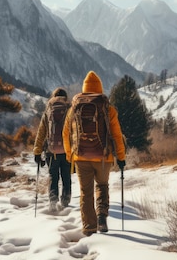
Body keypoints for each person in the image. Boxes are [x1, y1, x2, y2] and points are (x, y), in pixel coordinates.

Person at [63, 71, 126, 236]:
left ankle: (89, 228)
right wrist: (121, 157)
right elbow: (117, 135)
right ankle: (102, 218)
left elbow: (65, 133)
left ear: (84, 89)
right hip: (103, 157)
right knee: (102, 186)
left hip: (80, 157)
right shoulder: (108, 108)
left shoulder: (74, 109)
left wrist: (70, 154)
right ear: (99, 89)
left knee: (86, 192)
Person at [33, 87, 72, 212]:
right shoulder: (70, 109)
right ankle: (65, 202)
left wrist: (37, 151)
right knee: (66, 177)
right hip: (67, 151)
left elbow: (41, 133)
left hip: (52, 151)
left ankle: (53, 201)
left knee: (53, 177)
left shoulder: (48, 111)